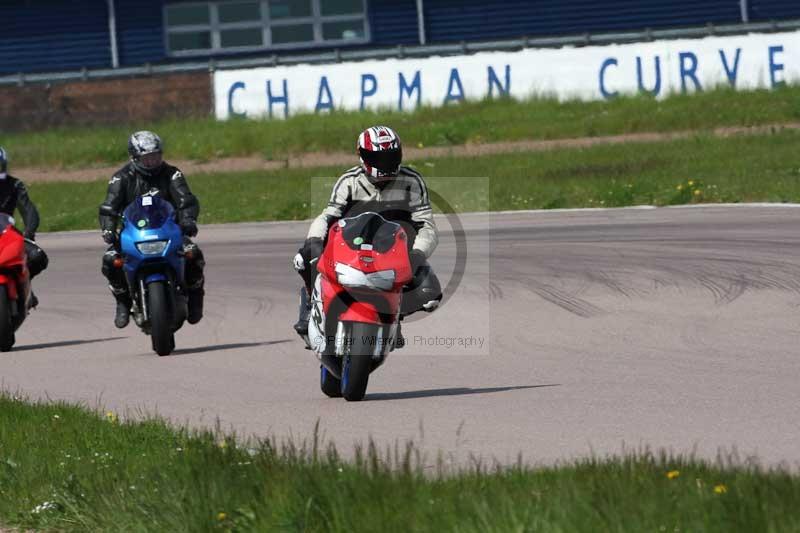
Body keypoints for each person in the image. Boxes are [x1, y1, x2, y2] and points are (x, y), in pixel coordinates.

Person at [292, 126, 442, 342]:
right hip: (351, 245)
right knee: (305, 257)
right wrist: (315, 241)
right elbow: (328, 216)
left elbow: (426, 225)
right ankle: (311, 303)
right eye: (377, 157)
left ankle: (392, 316)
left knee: (431, 295)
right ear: (362, 157)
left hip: (394, 249)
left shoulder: (412, 182)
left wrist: (418, 254)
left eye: (390, 157)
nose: (385, 164)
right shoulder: (349, 181)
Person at [98, 131, 205, 328]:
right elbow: (108, 208)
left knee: (193, 253)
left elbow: (186, 200)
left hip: (169, 231)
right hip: (133, 234)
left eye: (156, 156)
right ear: (134, 157)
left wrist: (188, 220)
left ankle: (196, 295)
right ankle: (122, 302)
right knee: (111, 261)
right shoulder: (121, 178)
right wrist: (108, 229)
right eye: (147, 158)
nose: (152, 162)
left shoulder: (172, 174)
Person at [0, 147, 48, 307]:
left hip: (6, 233)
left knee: (37, 256)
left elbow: (28, 210)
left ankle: (25, 285)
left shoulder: (14, 185)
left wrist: (29, 232)